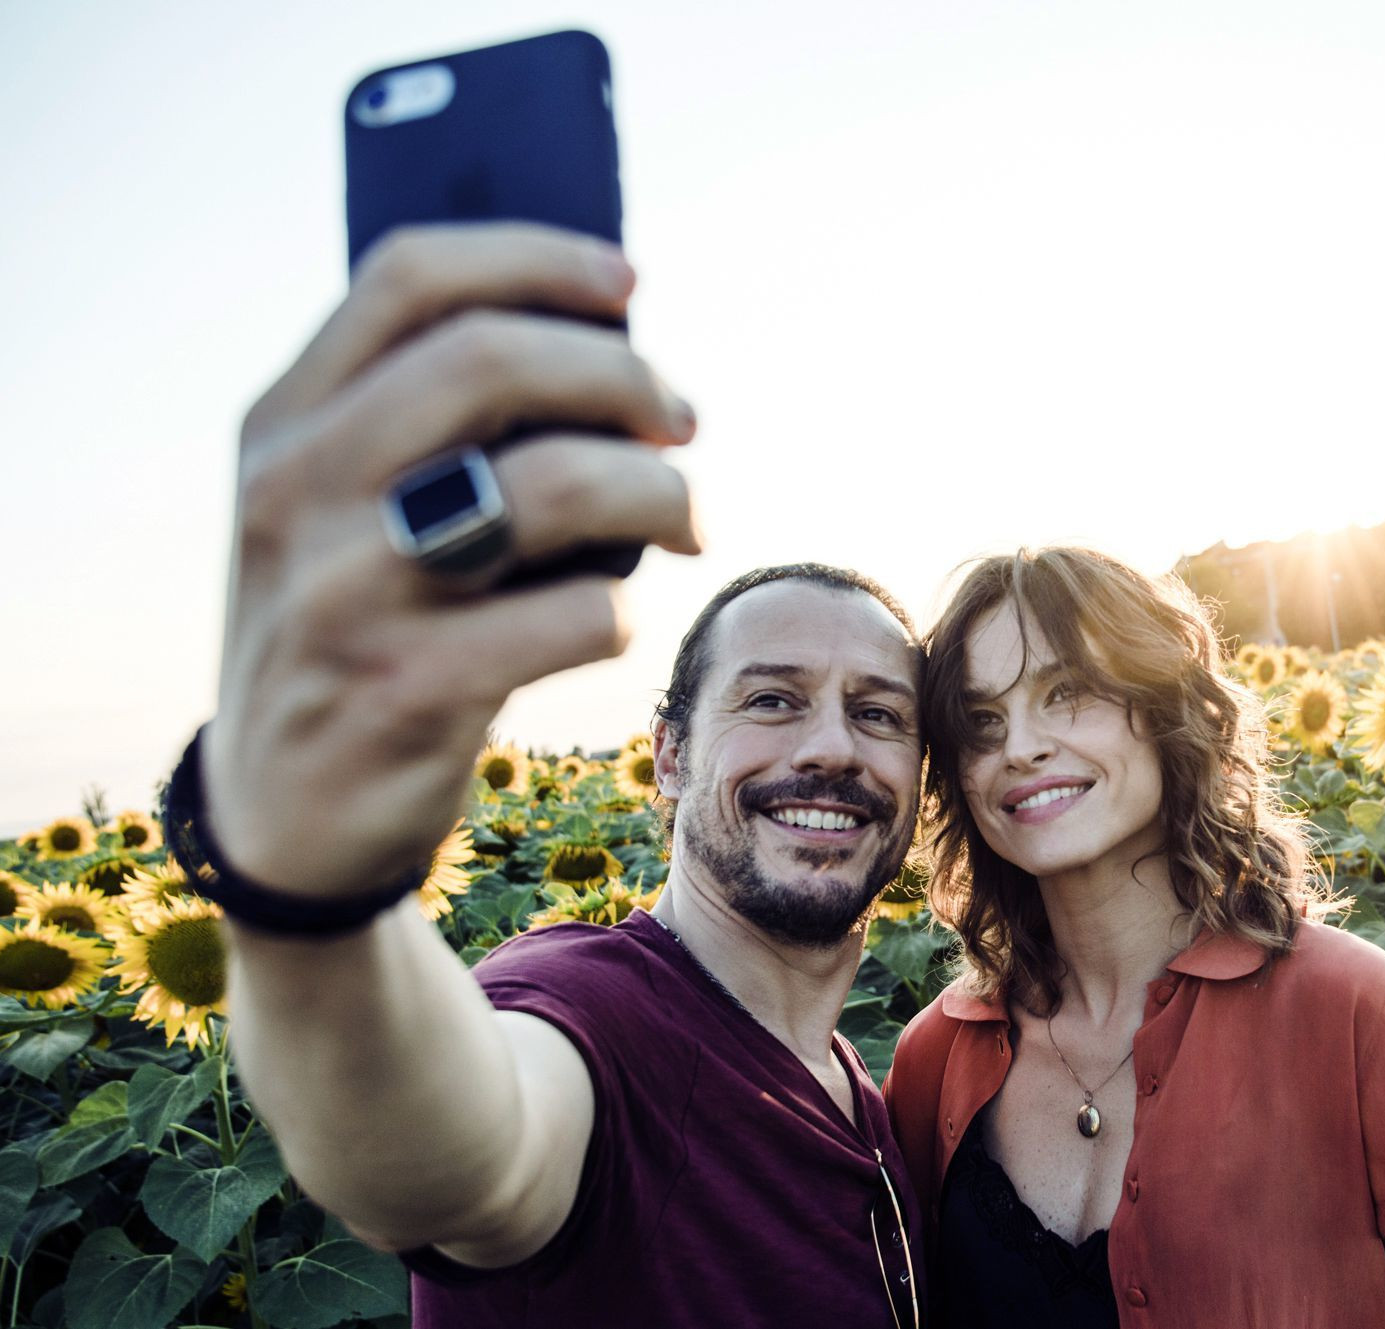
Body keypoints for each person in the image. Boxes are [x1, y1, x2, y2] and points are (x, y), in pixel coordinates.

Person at [175, 221, 927, 1327]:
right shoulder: (590, 1015)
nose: (828, 747)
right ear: (668, 756)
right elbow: (452, 1162)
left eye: (877, 714)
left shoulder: (858, 1087)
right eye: (770, 700)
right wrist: (312, 892)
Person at [885, 547, 1385, 1328]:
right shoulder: (933, 1061)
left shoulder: (1371, 1017)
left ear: (1164, 709)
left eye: (1067, 692)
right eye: (982, 722)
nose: (1019, 745)